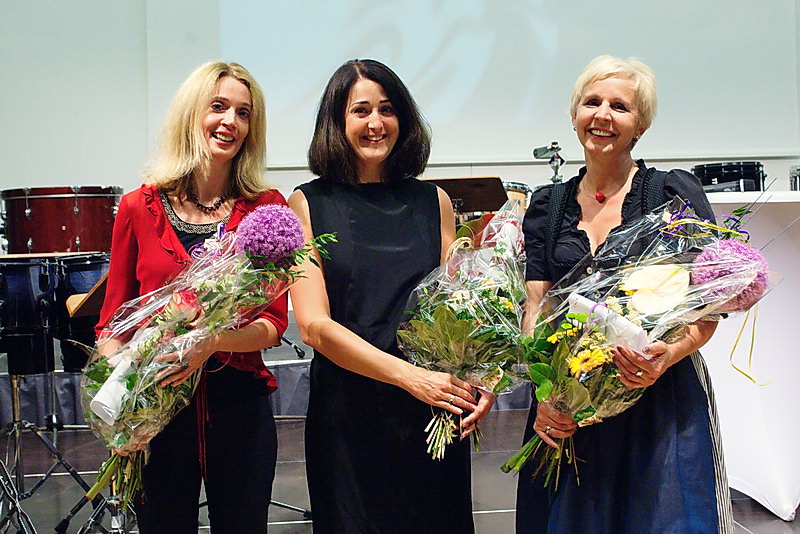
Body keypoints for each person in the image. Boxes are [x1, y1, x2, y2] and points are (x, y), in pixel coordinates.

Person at [516, 55, 735, 534]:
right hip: (569, 400)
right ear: (574, 114)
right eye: (591, 102)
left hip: (658, 398)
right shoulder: (547, 206)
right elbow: (536, 306)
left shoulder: (671, 194)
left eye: (620, 107)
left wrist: (666, 356)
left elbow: (708, 310)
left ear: (642, 124)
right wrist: (547, 390)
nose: (602, 115)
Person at [288, 59, 494, 534]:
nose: (376, 123)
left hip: (432, 411)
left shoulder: (433, 201)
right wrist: (410, 378)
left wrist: (480, 378)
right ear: (337, 122)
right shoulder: (307, 203)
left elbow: (456, 310)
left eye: (387, 109)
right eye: (360, 110)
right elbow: (314, 326)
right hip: (349, 413)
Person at [95, 61, 287, 533]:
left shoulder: (267, 208)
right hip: (154, 411)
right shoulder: (138, 206)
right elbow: (112, 323)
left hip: (238, 408)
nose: (230, 122)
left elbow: (273, 324)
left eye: (244, 113)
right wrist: (120, 412)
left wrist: (210, 342)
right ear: (191, 114)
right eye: (218, 107)